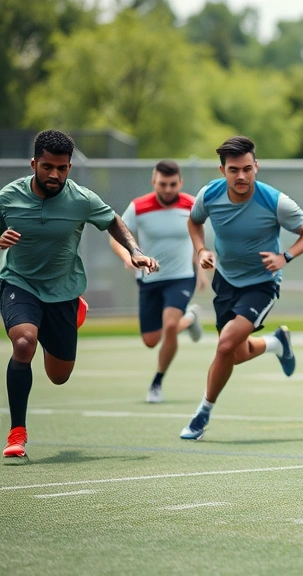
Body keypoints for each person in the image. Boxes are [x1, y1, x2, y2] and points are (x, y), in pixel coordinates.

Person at [1, 130, 157, 460]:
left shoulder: (81, 199)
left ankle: (73, 312)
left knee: (59, 376)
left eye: (62, 168)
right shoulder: (8, 197)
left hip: (63, 292)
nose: (54, 174)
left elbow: (113, 220)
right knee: (24, 342)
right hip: (20, 283)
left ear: (69, 167)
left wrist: (134, 251)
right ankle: (17, 432)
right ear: (33, 164)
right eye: (47, 167)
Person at [179, 136, 303, 440]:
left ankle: (202, 414)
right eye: (233, 170)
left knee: (226, 344)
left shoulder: (276, 201)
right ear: (222, 170)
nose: (241, 176)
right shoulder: (209, 195)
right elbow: (194, 222)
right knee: (234, 353)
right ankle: (276, 343)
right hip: (226, 282)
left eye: (246, 169)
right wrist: (201, 251)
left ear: (256, 167)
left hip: (261, 284)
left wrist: (285, 257)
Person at [109, 160, 207, 404]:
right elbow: (116, 236)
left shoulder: (191, 205)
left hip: (182, 277)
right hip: (150, 279)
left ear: (180, 183)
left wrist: (202, 270)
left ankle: (157, 382)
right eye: (162, 184)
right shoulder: (138, 207)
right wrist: (128, 256)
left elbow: (198, 237)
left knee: (170, 326)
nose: (167, 189)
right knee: (151, 340)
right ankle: (191, 318)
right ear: (154, 182)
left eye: (173, 184)